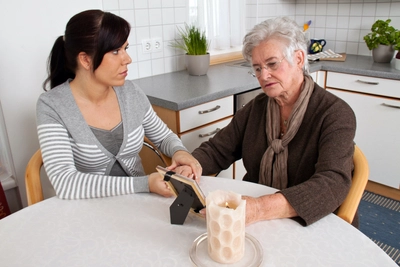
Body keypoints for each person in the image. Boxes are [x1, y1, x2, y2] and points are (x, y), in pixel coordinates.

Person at [191, 17, 357, 226]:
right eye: (258, 68)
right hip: (259, 217)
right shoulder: (256, 108)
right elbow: (217, 150)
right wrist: (191, 164)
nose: (264, 75)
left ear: (298, 59)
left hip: (312, 220)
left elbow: (332, 183)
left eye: (272, 64)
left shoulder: (335, 113)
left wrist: (260, 208)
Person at [37, 10, 201, 200]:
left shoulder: (130, 92)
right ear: (85, 59)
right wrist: (145, 183)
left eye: (126, 48)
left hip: (138, 205)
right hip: (87, 212)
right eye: (116, 51)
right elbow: (65, 183)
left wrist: (180, 151)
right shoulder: (52, 106)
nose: (127, 59)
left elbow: (164, 137)